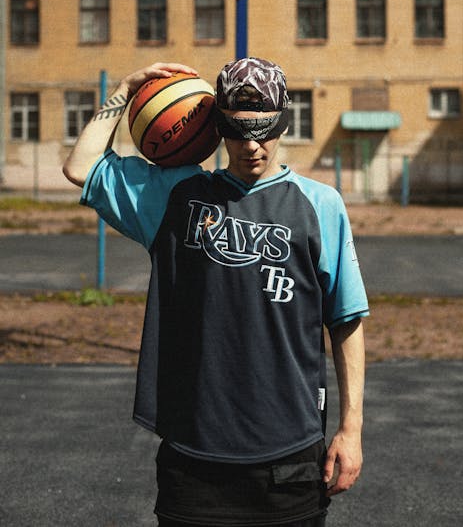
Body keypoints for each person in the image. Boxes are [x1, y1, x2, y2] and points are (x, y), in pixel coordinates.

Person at [63, 57, 369, 527]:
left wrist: (351, 429)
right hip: (194, 455)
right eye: (236, 130)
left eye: (264, 130)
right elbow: (81, 168)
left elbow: (346, 320)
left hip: (288, 453)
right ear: (215, 127)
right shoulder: (177, 196)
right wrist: (124, 90)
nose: (251, 146)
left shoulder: (320, 204)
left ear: (284, 122)